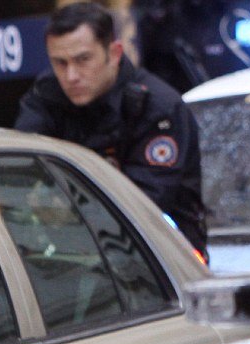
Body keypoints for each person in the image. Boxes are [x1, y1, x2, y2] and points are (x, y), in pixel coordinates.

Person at [14, 1, 208, 261]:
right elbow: (19, 169)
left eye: (83, 60)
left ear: (114, 53)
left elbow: (143, 205)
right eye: (60, 63)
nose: (71, 76)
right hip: (76, 253)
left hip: (162, 257)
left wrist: (66, 209)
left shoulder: (158, 108)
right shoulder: (48, 94)